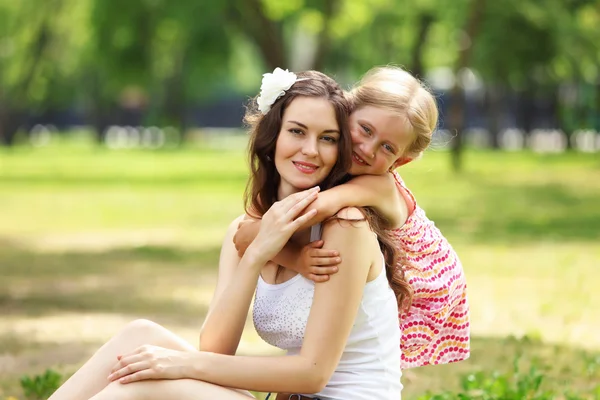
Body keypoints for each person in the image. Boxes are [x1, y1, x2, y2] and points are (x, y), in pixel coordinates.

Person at [48, 68, 408, 400]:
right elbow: (215, 350)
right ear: (273, 137)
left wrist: (179, 365)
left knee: (141, 386)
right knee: (138, 336)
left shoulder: (345, 226)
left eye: (327, 138)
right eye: (297, 131)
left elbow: (313, 374)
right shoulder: (244, 232)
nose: (311, 150)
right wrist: (255, 254)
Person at [235, 66, 470, 369]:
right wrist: (290, 254)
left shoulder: (377, 184)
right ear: (346, 112)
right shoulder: (336, 168)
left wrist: (272, 246)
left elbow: (307, 211)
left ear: (401, 161)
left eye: (387, 147)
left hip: (424, 285)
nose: (367, 149)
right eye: (366, 130)